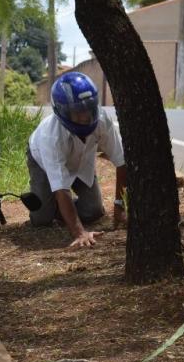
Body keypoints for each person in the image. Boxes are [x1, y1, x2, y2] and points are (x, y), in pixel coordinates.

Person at [27, 72, 127, 248]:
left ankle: (59, 208)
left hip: (80, 161)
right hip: (42, 161)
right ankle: (48, 204)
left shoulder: (102, 121)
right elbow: (61, 188)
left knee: (94, 210)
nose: (85, 117)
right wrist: (79, 232)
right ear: (63, 111)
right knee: (42, 219)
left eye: (88, 109)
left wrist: (120, 205)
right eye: (77, 112)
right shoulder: (51, 137)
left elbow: (121, 162)